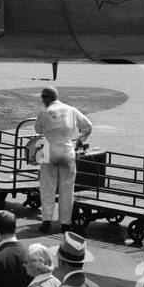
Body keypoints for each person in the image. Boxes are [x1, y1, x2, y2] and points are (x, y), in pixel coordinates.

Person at [34, 88, 93, 234]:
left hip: (49, 149)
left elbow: (37, 130)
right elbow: (88, 125)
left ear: (47, 98)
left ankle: (46, 220)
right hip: (67, 150)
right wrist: (81, 138)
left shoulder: (44, 113)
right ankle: (65, 223)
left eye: (43, 98)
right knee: (67, 189)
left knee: (47, 187)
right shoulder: (71, 110)